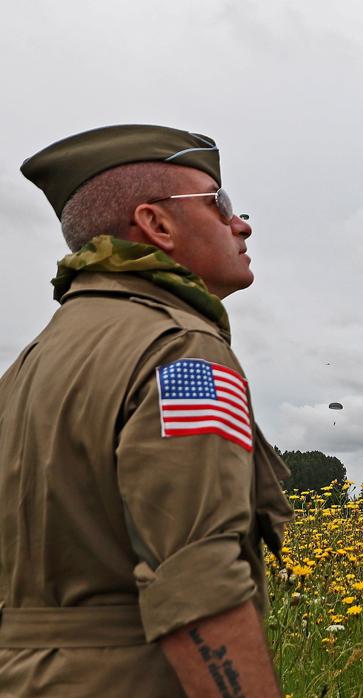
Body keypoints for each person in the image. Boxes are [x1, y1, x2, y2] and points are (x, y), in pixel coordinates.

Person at [0, 124, 291, 697]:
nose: (242, 223)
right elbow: (197, 581)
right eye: (220, 204)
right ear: (156, 224)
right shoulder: (184, 354)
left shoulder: (27, 367)